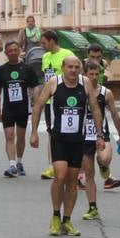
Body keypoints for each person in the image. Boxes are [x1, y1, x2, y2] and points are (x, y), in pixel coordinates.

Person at [30, 55, 102, 237]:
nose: (73, 70)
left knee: (72, 182)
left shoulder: (85, 83)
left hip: (78, 140)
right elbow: (38, 106)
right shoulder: (54, 82)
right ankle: (55, 216)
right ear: (63, 68)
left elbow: (95, 108)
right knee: (60, 176)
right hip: (59, 138)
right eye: (70, 67)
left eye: (77, 67)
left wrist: (99, 135)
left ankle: (67, 220)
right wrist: (34, 132)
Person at [79, 58, 120, 219]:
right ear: (84, 74)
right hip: (84, 135)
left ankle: (103, 166)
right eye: (90, 74)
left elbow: (114, 114)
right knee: (89, 174)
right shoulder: (79, 91)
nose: (93, 77)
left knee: (105, 158)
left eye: (96, 74)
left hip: (101, 132)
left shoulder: (105, 93)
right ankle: (92, 208)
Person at [0, 39, 40, 178]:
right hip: (8, 108)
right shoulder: (1, 70)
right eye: (10, 51)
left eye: (15, 50)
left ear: (19, 51)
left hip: (22, 108)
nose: (13, 52)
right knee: (9, 135)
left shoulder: (27, 68)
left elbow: (35, 87)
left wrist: (36, 103)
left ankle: (19, 162)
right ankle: (12, 165)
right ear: (6, 53)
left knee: (20, 137)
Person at [37, 30, 75, 180]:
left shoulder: (67, 54)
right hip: (49, 101)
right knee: (51, 132)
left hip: (64, 100)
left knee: (68, 131)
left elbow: (75, 73)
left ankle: (69, 163)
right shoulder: (45, 57)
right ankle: (52, 166)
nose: (42, 45)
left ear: (52, 41)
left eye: (44, 42)